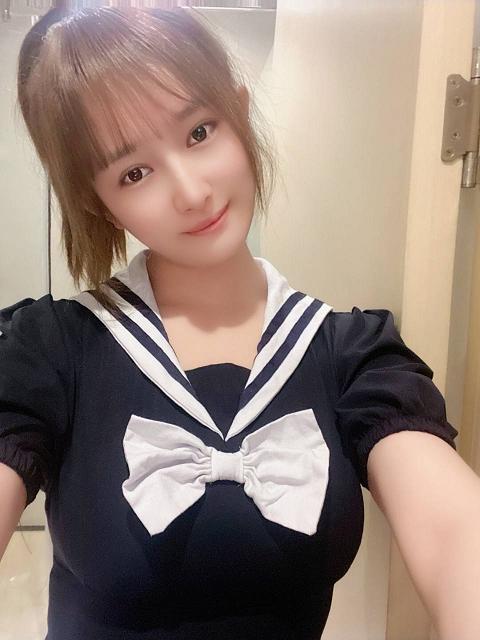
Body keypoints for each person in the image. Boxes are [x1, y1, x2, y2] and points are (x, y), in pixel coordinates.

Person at [0, 5, 479, 640]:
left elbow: (455, 536)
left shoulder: (352, 355)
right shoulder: (50, 351)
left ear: (240, 111)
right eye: (134, 172)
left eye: (200, 132)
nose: (192, 191)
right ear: (99, 201)